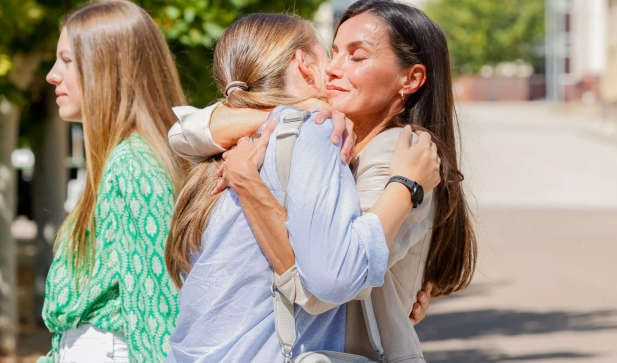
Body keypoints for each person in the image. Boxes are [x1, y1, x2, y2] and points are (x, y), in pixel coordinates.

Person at [169, 0, 477, 362]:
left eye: (357, 57)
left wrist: (248, 184)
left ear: (410, 79)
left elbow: (323, 287)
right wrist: (295, 110)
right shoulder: (321, 133)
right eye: (333, 53)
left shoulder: (396, 154)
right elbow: (185, 132)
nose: (332, 68)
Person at [39, 1, 186, 362]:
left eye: (68, 61)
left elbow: (157, 315)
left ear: (106, 67)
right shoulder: (120, 161)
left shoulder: (133, 165)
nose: (52, 75)